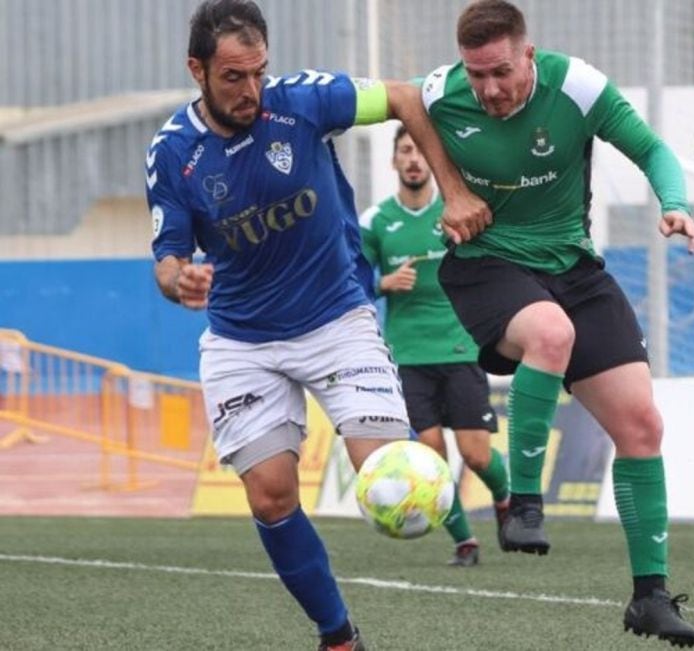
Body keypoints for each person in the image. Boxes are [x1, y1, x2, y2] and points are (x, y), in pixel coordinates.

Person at [145, 2, 489, 649]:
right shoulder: (173, 153)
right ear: (197, 70)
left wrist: (457, 189)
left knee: (386, 469)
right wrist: (178, 279)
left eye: (258, 72)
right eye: (232, 77)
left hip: (336, 319)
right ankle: (338, 636)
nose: (250, 90)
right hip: (241, 338)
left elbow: (405, 97)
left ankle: (472, 522)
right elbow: (167, 259)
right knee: (271, 496)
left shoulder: (305, 100)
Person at [419, 1, 694, 646]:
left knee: (642, 426)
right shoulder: (440, 94)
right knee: (550, 334)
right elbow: (402, 103)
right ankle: (522, 504)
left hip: (573, 268)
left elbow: (652, 148)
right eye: (476, 75)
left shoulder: (578, 87)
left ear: (529, 54)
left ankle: (649, 597)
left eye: (500, 72)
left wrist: (676, 204)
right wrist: (452, 194)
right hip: (486, 265)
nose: (488, 89)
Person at [360, 125, 510, 567]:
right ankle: (465, 542)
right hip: (408, 357)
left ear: (431, 161)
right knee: (430, 457)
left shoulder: (456, 214)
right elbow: (352, 281)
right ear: (394, 162)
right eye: (405, 151)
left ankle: (505, 500)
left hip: (460, 349)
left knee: (476, 454)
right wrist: (382, 283)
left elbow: (490, 265)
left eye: (420, 151)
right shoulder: (375, 222)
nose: (413, 159)